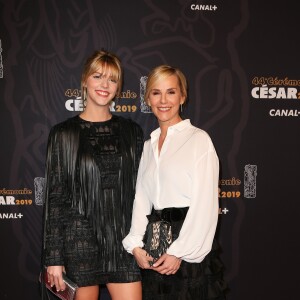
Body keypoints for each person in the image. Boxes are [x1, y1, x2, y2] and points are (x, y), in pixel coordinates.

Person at [41, 50, 143, 300]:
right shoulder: (63, 134)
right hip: (80, 244)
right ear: (85, 80)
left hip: (124, 243)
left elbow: (146, 188)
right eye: (98, 76)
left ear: (118, 88)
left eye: (112, 79)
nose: (104, 85)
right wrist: (54, 258)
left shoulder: (132, 132)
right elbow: (56, 197)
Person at [123, 65, 226, 299]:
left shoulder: (199, 140)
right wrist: (136, 245)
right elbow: (142, 199)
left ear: (182, 96)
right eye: (156, 92)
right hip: (154, 250)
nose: (163, 100)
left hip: (188, 252)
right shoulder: (149, 146)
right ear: (148, 98)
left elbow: (205, 205)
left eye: (171, 92)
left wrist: (180, 252)